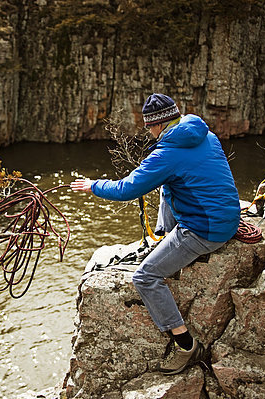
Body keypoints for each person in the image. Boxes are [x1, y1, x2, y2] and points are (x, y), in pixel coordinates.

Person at [70, 93, 240, 375]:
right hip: (227, 218)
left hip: (205, 230)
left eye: (149, 127)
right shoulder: (206, 135)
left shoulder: (167, 154)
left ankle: (186, 345)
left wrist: (93, 185)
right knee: (168, 185)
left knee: (145, 276)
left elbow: (127, 189)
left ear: (159, 125)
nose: (148, 133)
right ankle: (164, 236)